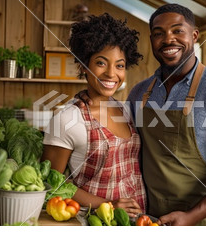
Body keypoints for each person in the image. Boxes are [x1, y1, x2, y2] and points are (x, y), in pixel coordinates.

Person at [77, 4, 206, 226]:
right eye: (159, 33)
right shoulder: (139, 92)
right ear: (152, 40)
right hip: (145, 219)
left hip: (199, 223)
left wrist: (191, 216)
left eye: (178, 30)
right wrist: (92, 99)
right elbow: (120, 129)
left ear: (195, 35)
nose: (168, 39)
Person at [41, 13, 146, 217]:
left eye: (120, 65)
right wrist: (109, 205)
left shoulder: (127, 110)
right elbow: (51, 183)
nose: (111, 74)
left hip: (138, 221)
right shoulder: (67, 120)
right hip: (93, 221)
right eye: (101, 63)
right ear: (83, 66)